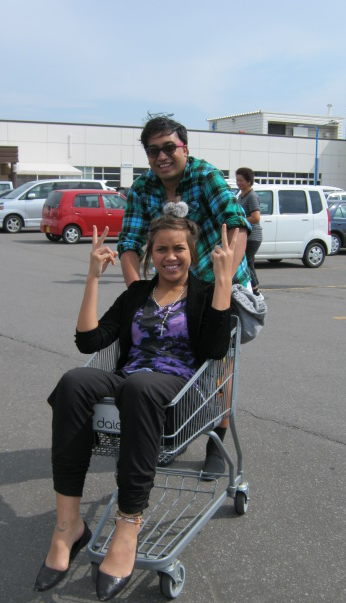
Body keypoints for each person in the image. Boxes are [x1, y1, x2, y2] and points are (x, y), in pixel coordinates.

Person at [34, 205, 237, 602]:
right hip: (131, 381)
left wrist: (224, 280)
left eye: (179, 248)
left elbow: (215, 351)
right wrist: (93, 276)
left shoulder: (204, 293)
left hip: (177, 393)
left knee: (140, 387)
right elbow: (89, 342)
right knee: (74, 381)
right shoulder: (137, 294)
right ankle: (68, 525)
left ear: (192, 252)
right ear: (150, 254)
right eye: (161, 249)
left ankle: (128, 525)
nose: (170, 256)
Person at [117, 115, 252, 474]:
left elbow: (236, 225)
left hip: (220, 283)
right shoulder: (142, 189)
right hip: (174, 292)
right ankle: (173, 430)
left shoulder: (205, 176)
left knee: (218, 364)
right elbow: (129, 243)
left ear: (184, 148)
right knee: (172, 360)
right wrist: (137, 296)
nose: (161, 156)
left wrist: (221, 282)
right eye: (153, 151)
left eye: (168, 147)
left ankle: (216, 440)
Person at [236, 168, 263, 299]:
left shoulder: (252, 196)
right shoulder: (241, 195)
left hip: (253, 236)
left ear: (249, 181)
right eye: (237, 180)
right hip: (245, 235)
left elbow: (256, 217)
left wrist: (240, 220)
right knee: (248, 262)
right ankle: (254, 289)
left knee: (245, 262)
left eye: (241, 180)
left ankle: (256, 291)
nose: (238, 183)